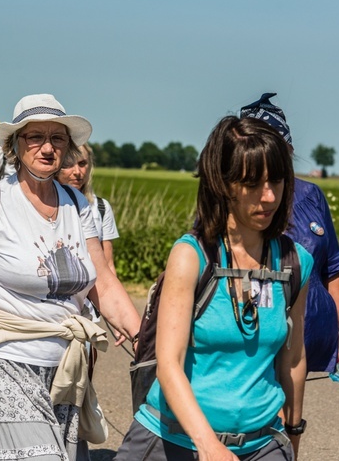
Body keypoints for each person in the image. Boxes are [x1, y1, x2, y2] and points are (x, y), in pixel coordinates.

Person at [0, 93, 142, 461]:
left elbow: (103, 282)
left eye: (57, 138)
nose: (47, 148)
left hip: (65, 370)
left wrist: (145, 337)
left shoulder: (79, 206)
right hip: (6, 360)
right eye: (35, 137)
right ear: (16, 145)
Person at [115, 116, 313, 461]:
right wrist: (209, 445)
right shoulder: (191, 257)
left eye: (277, 181)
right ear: (223, 183)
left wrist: (292, 434)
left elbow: (293, 360)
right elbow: (169, 364)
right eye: (253, 183)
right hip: (173, 442)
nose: (269, 197)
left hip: (262, 444)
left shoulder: (296, 263)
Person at [240, 93, 339, 446]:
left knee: (290, 424)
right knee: (263, 424)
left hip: (303, 337)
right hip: (252, 336)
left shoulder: (312, 197)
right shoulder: (229, 198)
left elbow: (332, 268)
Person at [57, 143, 119, 275]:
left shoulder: (101, 207)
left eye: (82, 163)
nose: (77, 172)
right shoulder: (45, 206)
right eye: (68, 165)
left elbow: (108, 264)